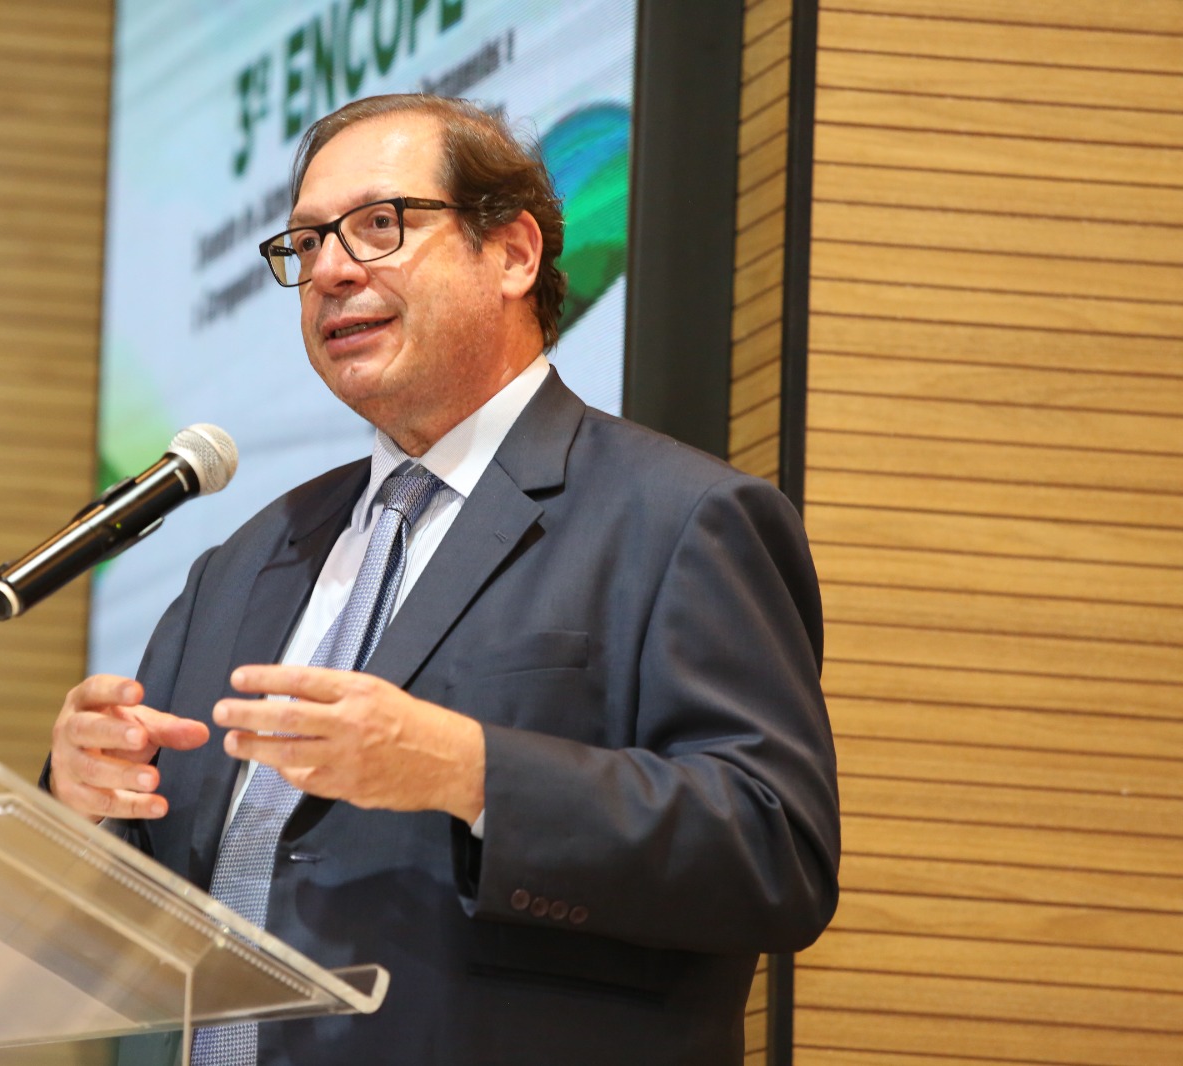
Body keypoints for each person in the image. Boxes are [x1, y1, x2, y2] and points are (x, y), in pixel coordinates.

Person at [47, 94, 839, 1065]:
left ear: (512, 252)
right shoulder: (248, 561)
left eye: (379, 225)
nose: (330, 270)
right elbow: (150, 900)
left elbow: (773, 852)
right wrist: (84, 800)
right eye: (307, 242)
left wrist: (469, 772)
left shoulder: (679, 519)